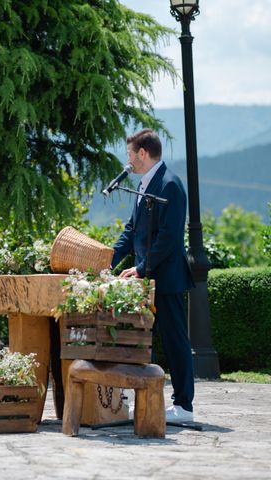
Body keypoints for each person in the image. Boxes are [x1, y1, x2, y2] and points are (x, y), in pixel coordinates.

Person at [111, 128, 195, 423]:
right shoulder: (145, 185)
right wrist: (107, 261)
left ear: (143, 154)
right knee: (141, 340)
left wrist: (142, 268)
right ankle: (147, 399)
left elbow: (169, 237)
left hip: (167, 278)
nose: (128, 161)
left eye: (130, 155)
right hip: (146, 278)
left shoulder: (170, 185)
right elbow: (131, 231)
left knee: (175, 341)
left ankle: (184, 406)